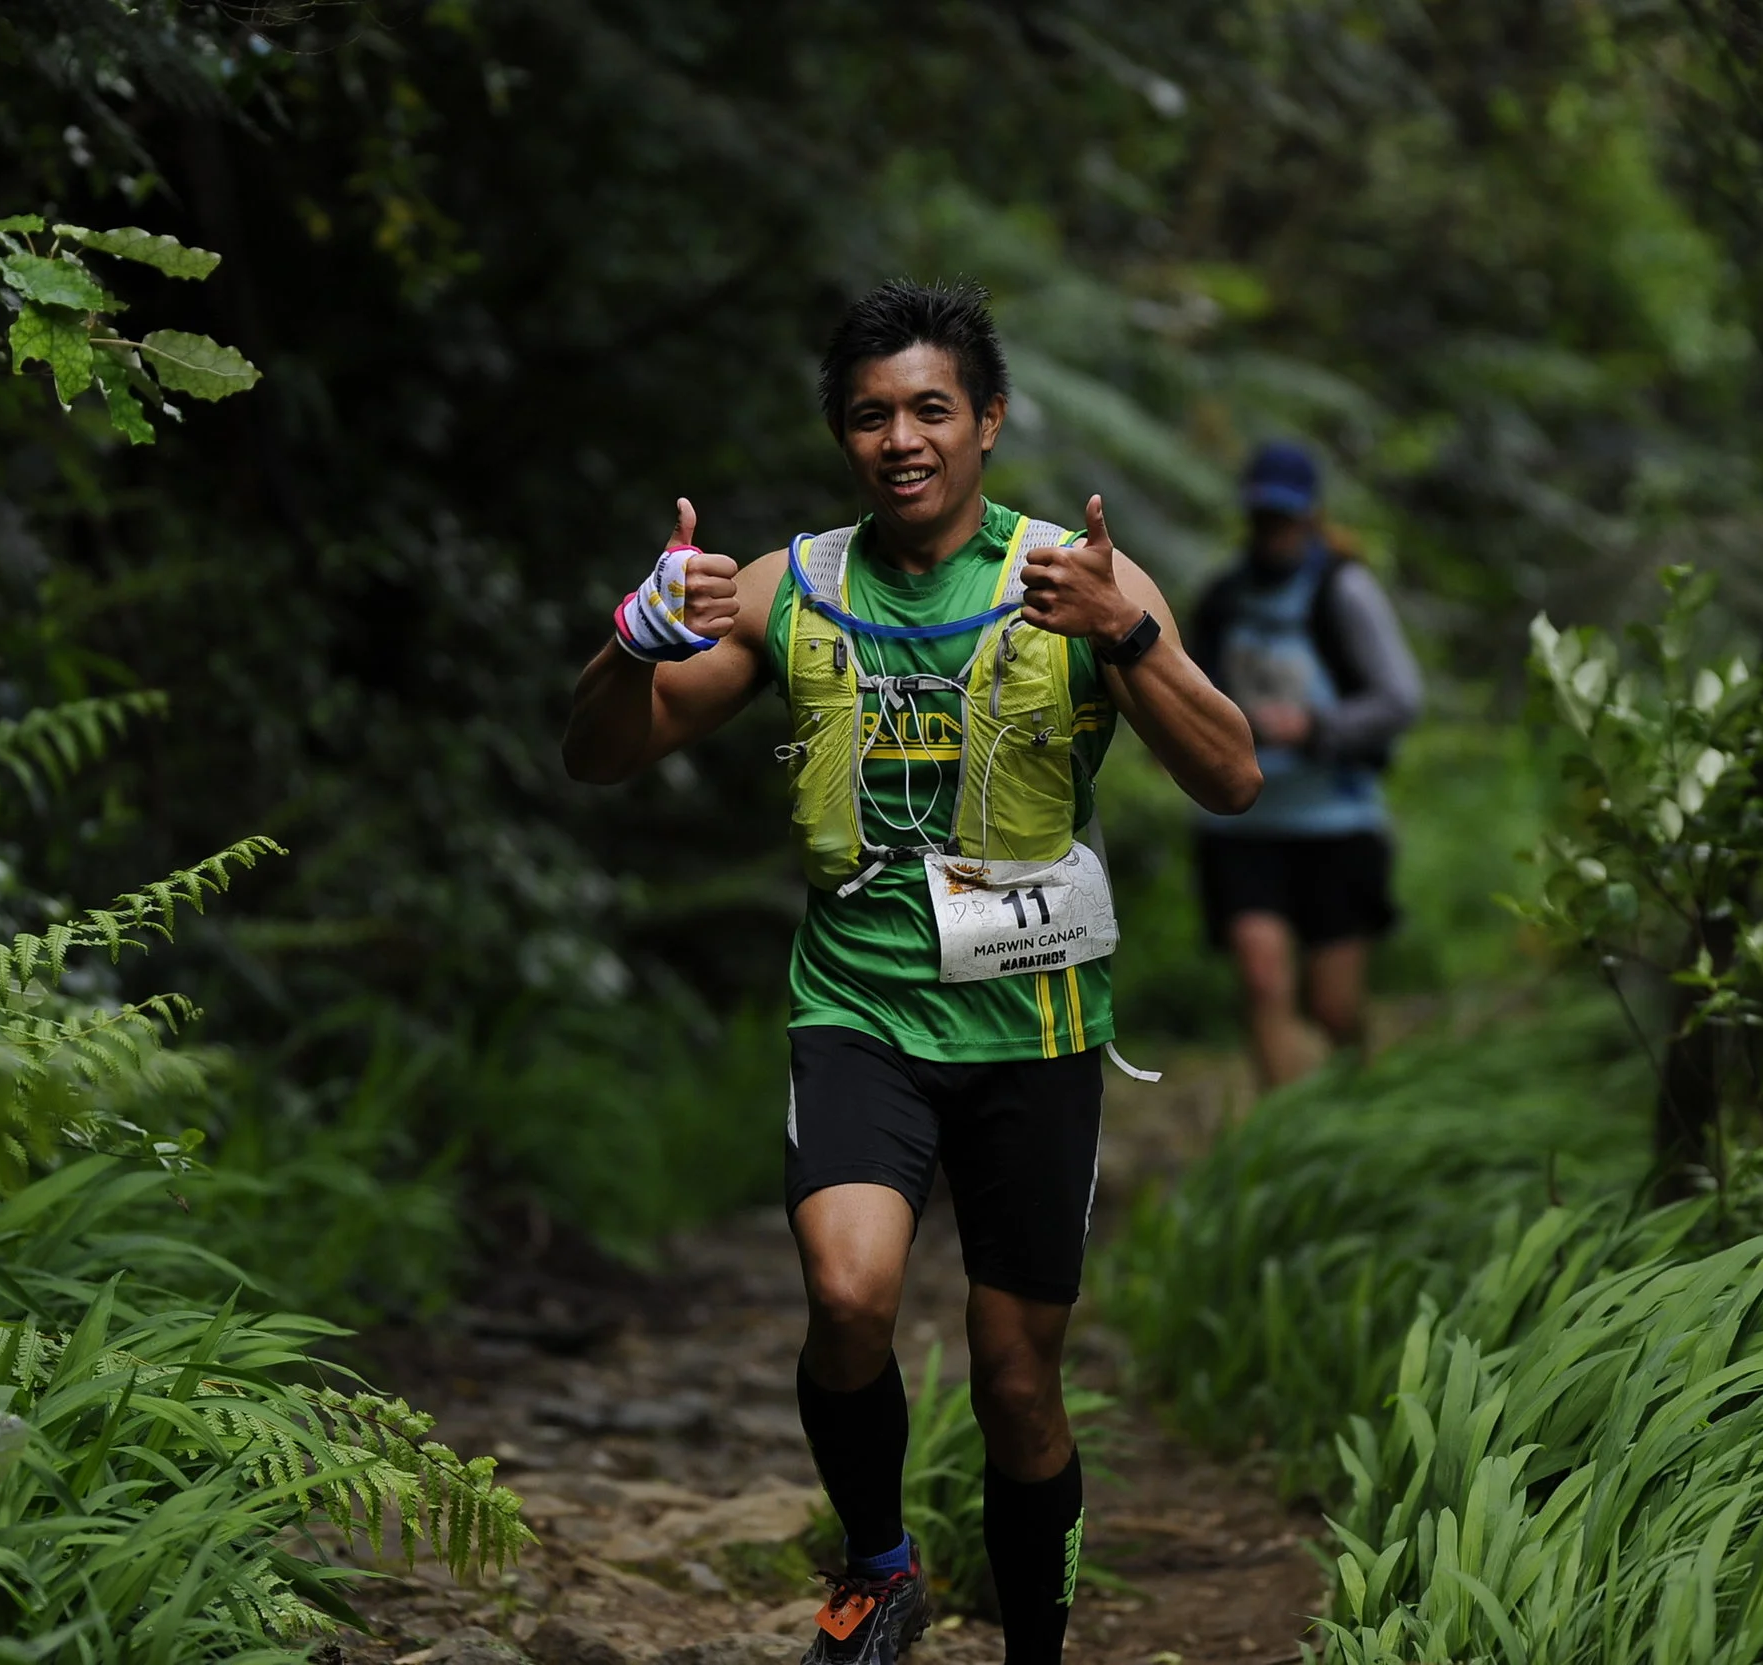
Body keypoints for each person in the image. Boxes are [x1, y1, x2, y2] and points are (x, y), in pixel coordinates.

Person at [562, 280, 1258, 1665]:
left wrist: (1122, 634)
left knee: (1016, 1383)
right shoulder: (793, 585)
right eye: (872, 415)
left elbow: (1233, 773)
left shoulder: (1075, 576)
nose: (903, 439)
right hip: (860, 1009)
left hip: (1038, 1023)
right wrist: (628, 642)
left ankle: (1038, 1650)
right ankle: (879, 1567)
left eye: (932, 409)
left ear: (988, 422)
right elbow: (601, 750)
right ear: (842, 435)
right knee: (849, 1294)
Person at [1187, 441, 1422, 1089]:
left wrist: (1316, 728)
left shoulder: (1344, 591)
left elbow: (1401, 697)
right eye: (1264, 518)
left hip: (1336, 822)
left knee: (1332, 1006)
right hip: (1242, 825)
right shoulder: (1222, 599)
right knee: (1261, 978)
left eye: (1286, 518)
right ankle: (1285, 1138)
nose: (1274, 532)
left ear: (1312, 516)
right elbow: (1188, 694)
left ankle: (1358, 1108)